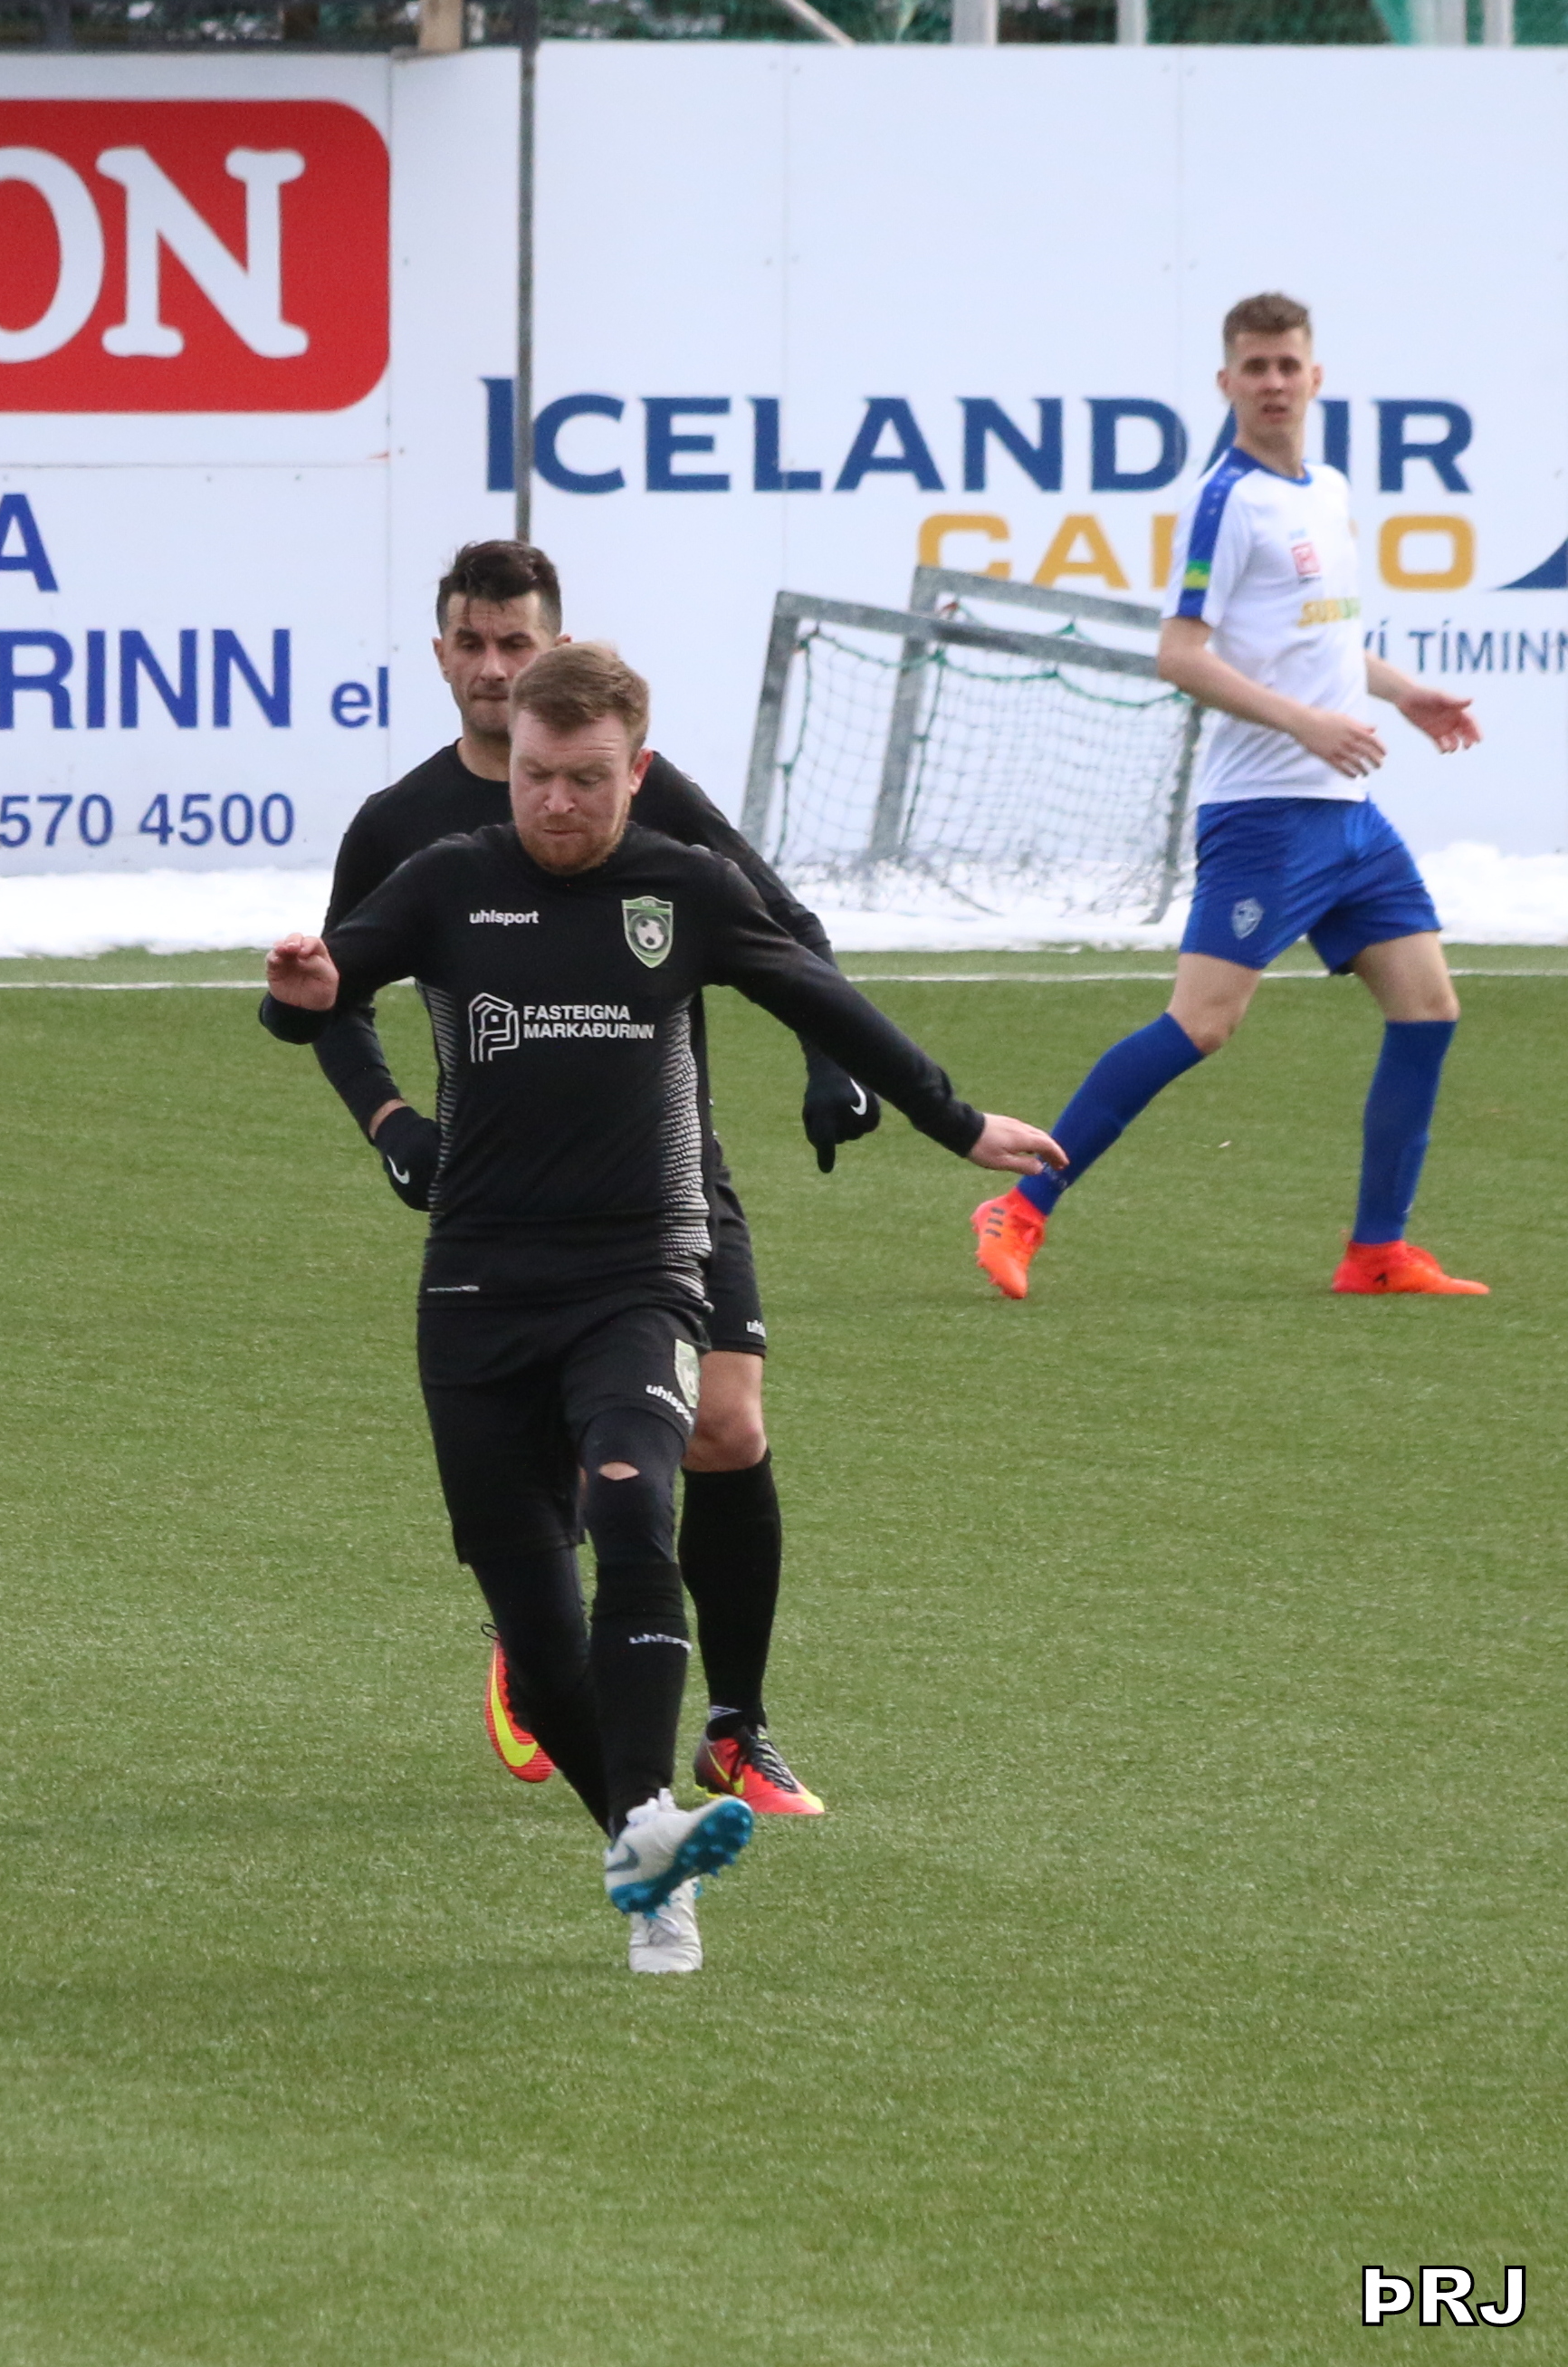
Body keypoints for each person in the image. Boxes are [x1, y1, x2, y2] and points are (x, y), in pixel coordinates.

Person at [263, 644, 1063, 1974]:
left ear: (636, 771)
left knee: (637, 1503)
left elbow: (816, 989)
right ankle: (637, 1840)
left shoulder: (683, 890)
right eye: (535, 774)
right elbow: (320, 990)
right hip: (473, 1288)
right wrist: (298, 995)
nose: (556, 801)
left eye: (586, 778)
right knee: (538, 1641)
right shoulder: (449, 879)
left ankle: (665, 1813)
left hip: (636, 1273)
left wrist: (954, 1118)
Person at [316, 540, 869, 1820]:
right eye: (472, 643)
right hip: (508, 1204)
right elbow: (331, 994)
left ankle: (735, 1727)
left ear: (555, 649)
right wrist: (389, 1118)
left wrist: (827, 1059)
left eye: (516, 642)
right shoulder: (400, 825)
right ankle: (543, 1626)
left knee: (728, 1427)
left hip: (670, 1182)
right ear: (439, 654)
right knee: (570, 1442)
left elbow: (786, 929)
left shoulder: (642, 792)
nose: (493, 666)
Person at [972, 292, 1487, 1301]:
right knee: (1201, 1024)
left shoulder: (1326, 489)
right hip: (1263, 812)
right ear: (1226, 383)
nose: (1273, 383)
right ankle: (1021, 1205)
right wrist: (1304, 724)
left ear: (1315, 375)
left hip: (1347, 813)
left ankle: (1376, 1252)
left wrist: (1403, 693)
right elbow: (1179, 655)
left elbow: (1319, 642)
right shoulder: (1225, 501)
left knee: (1427, 1008)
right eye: (1254, 367)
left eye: (1287, 365)